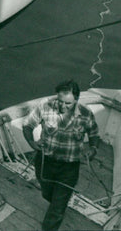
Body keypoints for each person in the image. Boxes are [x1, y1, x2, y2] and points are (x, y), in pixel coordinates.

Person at [23, 79, 100, 231]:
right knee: (47, 194)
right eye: (60, 101)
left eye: (68, 103)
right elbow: (27, 125)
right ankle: (58, 201)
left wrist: (93, 149)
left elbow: (94, 134)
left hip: (69, 168)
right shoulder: (45, 106)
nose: (63, 106)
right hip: (45, 162)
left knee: (57, 208)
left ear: (76, 99)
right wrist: (32, 143)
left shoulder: (86, 115)